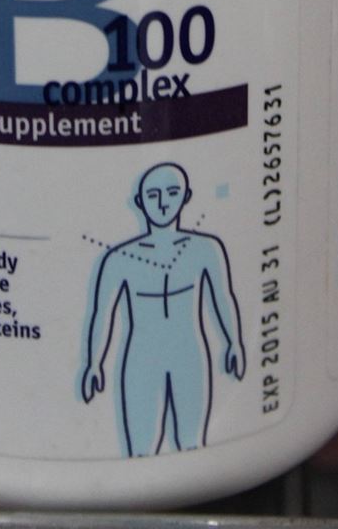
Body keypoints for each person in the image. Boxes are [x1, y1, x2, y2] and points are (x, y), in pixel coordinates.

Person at [81, 162, 246, 456]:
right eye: (153, 195)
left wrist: (234, 342)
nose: (162, 203)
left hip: (189, 354)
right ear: (139, 201)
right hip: (141, 359)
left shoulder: (204, 248)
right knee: (140, 447)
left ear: (186, 196)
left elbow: (223, 297)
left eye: (172, 193)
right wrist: (94, 363)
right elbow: (102, 314)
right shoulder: (120, 258)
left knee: (192, 442)